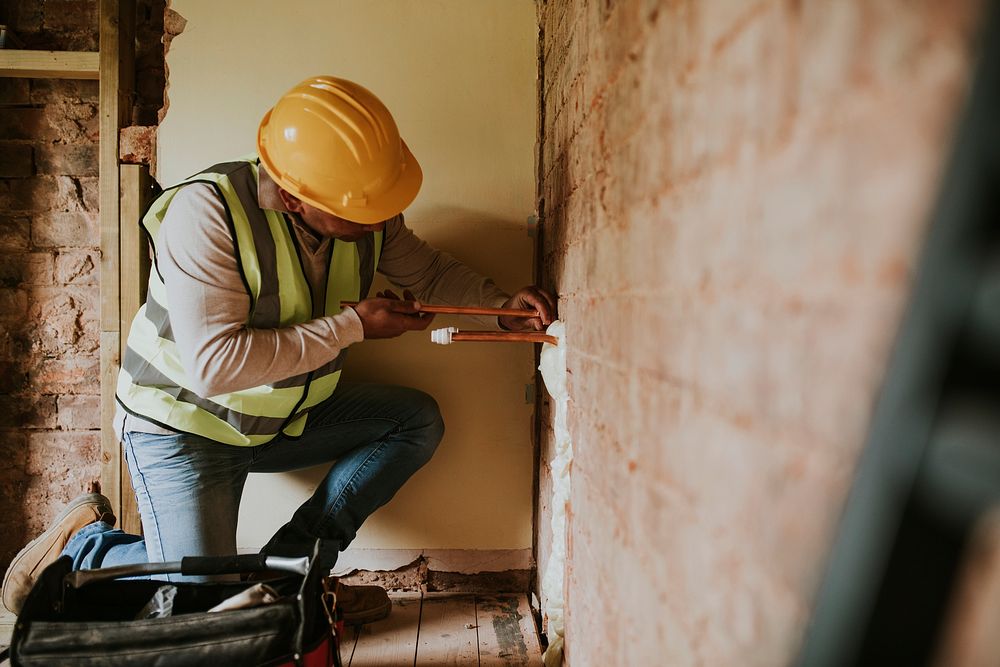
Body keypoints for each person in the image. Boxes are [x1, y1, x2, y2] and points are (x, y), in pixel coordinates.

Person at [1, 75, 556, 623]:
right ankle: (86, 548)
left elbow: (430, 271)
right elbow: (215, 366)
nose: (376, 219)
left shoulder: (361, 210)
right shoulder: (206, 213)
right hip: (186, 427)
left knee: (414, 421)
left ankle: (289, 575)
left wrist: (504, 310)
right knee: (200, 596)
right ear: (293, 197)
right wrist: (353, 326)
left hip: (278, 418)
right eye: (359, 210)